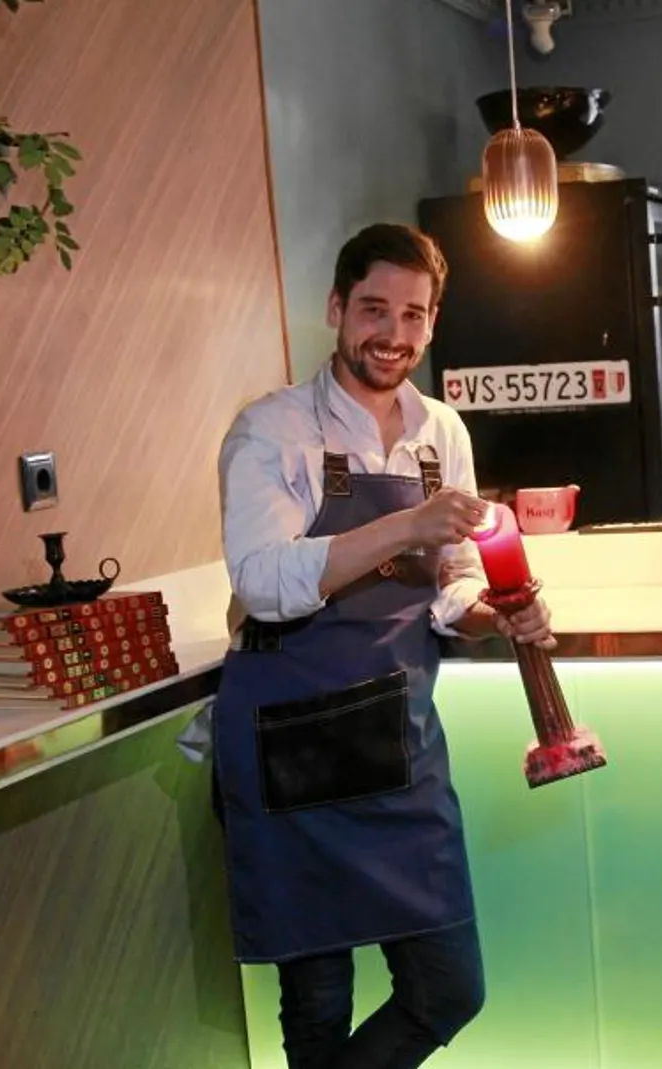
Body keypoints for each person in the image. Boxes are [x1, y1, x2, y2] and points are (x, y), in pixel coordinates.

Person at [212, 223, 553, 1069]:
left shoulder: (443, 432)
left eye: (413, 315)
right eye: (374, 309)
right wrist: (403, 522)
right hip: (293, 740)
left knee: (449, 988)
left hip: (399, 736)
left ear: (433, 323)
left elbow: (452, 583)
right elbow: (262, 581)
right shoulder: (271, 430)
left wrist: (493, 613)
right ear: (336, 307)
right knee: (319, 1006)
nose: (392, 335)